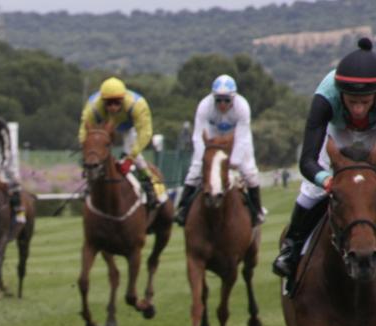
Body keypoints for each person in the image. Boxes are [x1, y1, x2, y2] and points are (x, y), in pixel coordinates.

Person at [272, 37, 376, 282]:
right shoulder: (325, 95)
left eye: (365, 102)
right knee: (311, 191)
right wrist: (326, 180)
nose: (358, 109)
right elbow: (307, 160)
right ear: (340, 94)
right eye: (352, 101)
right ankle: (291, 249)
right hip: (337, 131)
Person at [175, 74, 263, 226]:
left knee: (250, 174)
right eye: (218, 100)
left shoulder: (242, 107)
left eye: (227, 100)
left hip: (236, 138)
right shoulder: (204, 106)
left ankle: (257, 211)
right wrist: (202, 159)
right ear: (213, 98)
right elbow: (198, 136)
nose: (222, 104)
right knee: (194, 171)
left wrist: (234, 162)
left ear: (233, 99)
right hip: (212, 137)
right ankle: (182, 209)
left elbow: (242, 138)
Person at [77, 77, 160, 210]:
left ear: (123, 99)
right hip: (103, 127)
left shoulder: (137, 105)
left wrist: (130, 158)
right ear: (102, 101)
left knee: (136, 157)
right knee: (95, 156)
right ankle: (90, 185)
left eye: (116, 103)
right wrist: (86, 148)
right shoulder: (93, 107)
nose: (113, 107)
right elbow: (84, 131)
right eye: (108, 103)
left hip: (129, 128)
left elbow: (145, 134)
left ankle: (149, 185)